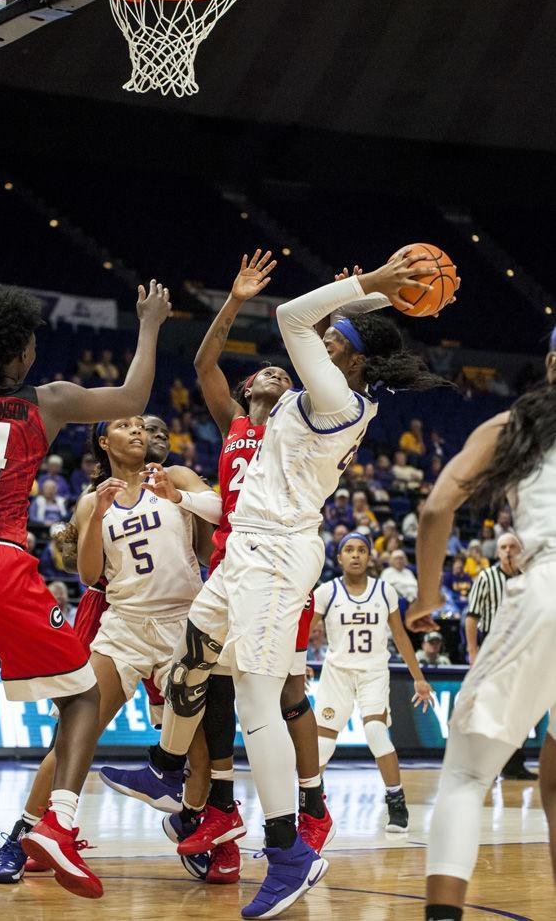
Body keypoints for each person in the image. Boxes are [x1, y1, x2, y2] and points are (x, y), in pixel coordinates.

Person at [101, 248, 456, 919]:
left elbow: (293, 316)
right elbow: (314, 323)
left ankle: (289, 848)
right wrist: (376, 296)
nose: (319, 340)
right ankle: (166, 767)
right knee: (190, 656)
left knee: (261, 704)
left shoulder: (335, 398)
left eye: (331, 341)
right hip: (247, 551)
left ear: (347, 359)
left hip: (276, 556)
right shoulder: (334, 391)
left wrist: (369, 284)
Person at [0, 234, 171, 899]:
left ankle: (47, 827)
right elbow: (134, 391)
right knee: (81, 694)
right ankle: (59, 823)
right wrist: (150, 324)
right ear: (20, 350)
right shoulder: (52, 400)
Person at [102, 251, 333, 877]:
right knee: (205, 684)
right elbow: (205, 361)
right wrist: (232, 300)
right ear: (246, 391)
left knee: (283, 692)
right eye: (264, 373)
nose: (273, 376)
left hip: (280, 565)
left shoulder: (298, 426)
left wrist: (335, 307)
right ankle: (206, 801)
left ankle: (308, 813)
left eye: (284, 375)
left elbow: (331, 383)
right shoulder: (233, 422)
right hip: (234, 563)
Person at [0, 414, 220, 884]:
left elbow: (223, 510)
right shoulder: (90, 501)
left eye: (142, 424)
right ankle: (27, 831)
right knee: (77, 731)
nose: (137, 430)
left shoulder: (174, 477)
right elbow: (90, 574)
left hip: (184, 623)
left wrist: (181, 498)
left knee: (199, 749)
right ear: (103, 441)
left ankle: (192, 822)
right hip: (125, 626)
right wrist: (96, 515)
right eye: (124, 424)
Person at [406, 335, 556, 921]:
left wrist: (426, 594)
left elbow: (438, 507)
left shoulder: (516, 423)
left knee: (468, 775)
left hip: (548, 594)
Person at [312, 533, 433, 832]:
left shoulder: (385, 590)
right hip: (337, 673)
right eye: (349, 550)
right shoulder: (326, 592)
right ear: (339, 558)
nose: (355, 555)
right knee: (322, 744)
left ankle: (396, 800)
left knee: (377, 733)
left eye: (362, 550)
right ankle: (311, 802)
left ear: (370, 557)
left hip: (374, 673)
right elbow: (303, 632)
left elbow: (401, 636)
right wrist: (297, 664)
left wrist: (419, 677)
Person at [465, 532, 534, 781]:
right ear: (497, 552)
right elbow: (471, 617)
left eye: (512, 547)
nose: (507, 551)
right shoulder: (486, 577)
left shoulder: (530, 580)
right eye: (503, 547)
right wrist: (473, 652)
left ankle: (513, 763)